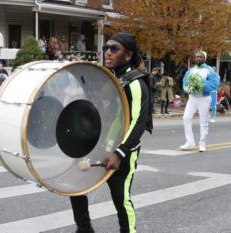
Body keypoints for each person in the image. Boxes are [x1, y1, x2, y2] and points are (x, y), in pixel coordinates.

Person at [69, 32, 150, 233]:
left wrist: (120, 152)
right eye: (106, 48)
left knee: (120, 197)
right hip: (100, 143)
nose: (108, 53)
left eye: (114, 49)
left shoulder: (136, 83)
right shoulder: (108, 77)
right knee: (75, 185)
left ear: (128, 55)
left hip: (124, 150)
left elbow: (138, 122)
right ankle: (84, 229)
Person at [180, 51, 220, 152]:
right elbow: (185, 81)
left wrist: (201, 84)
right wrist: (187, 88)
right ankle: (190, 142)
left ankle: (202, 143)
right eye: (197, 57)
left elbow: (214, 84)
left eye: (200, 57)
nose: (198, 58)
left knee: (203, 121)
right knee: (186, 118)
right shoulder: (191, 70)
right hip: (192, 98)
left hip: (204, 98)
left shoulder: (209, 70)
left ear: (204, 58)